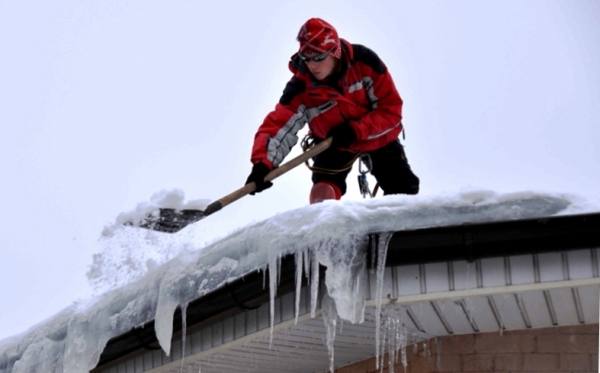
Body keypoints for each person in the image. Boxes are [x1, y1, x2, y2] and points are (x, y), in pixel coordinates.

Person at [245, 18, 420, 204]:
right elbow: (278, 125)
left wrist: (356, 130)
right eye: (307, 58)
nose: (312, 65)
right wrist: (263, 164)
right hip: (331, 143)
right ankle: (330, 229)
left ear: (334, 51)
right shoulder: (300, 88)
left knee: (403, 191)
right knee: (322, 194)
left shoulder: (364, 62)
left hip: (376, 136)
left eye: (319, 57)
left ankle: (403, 229)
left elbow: (390, 109)